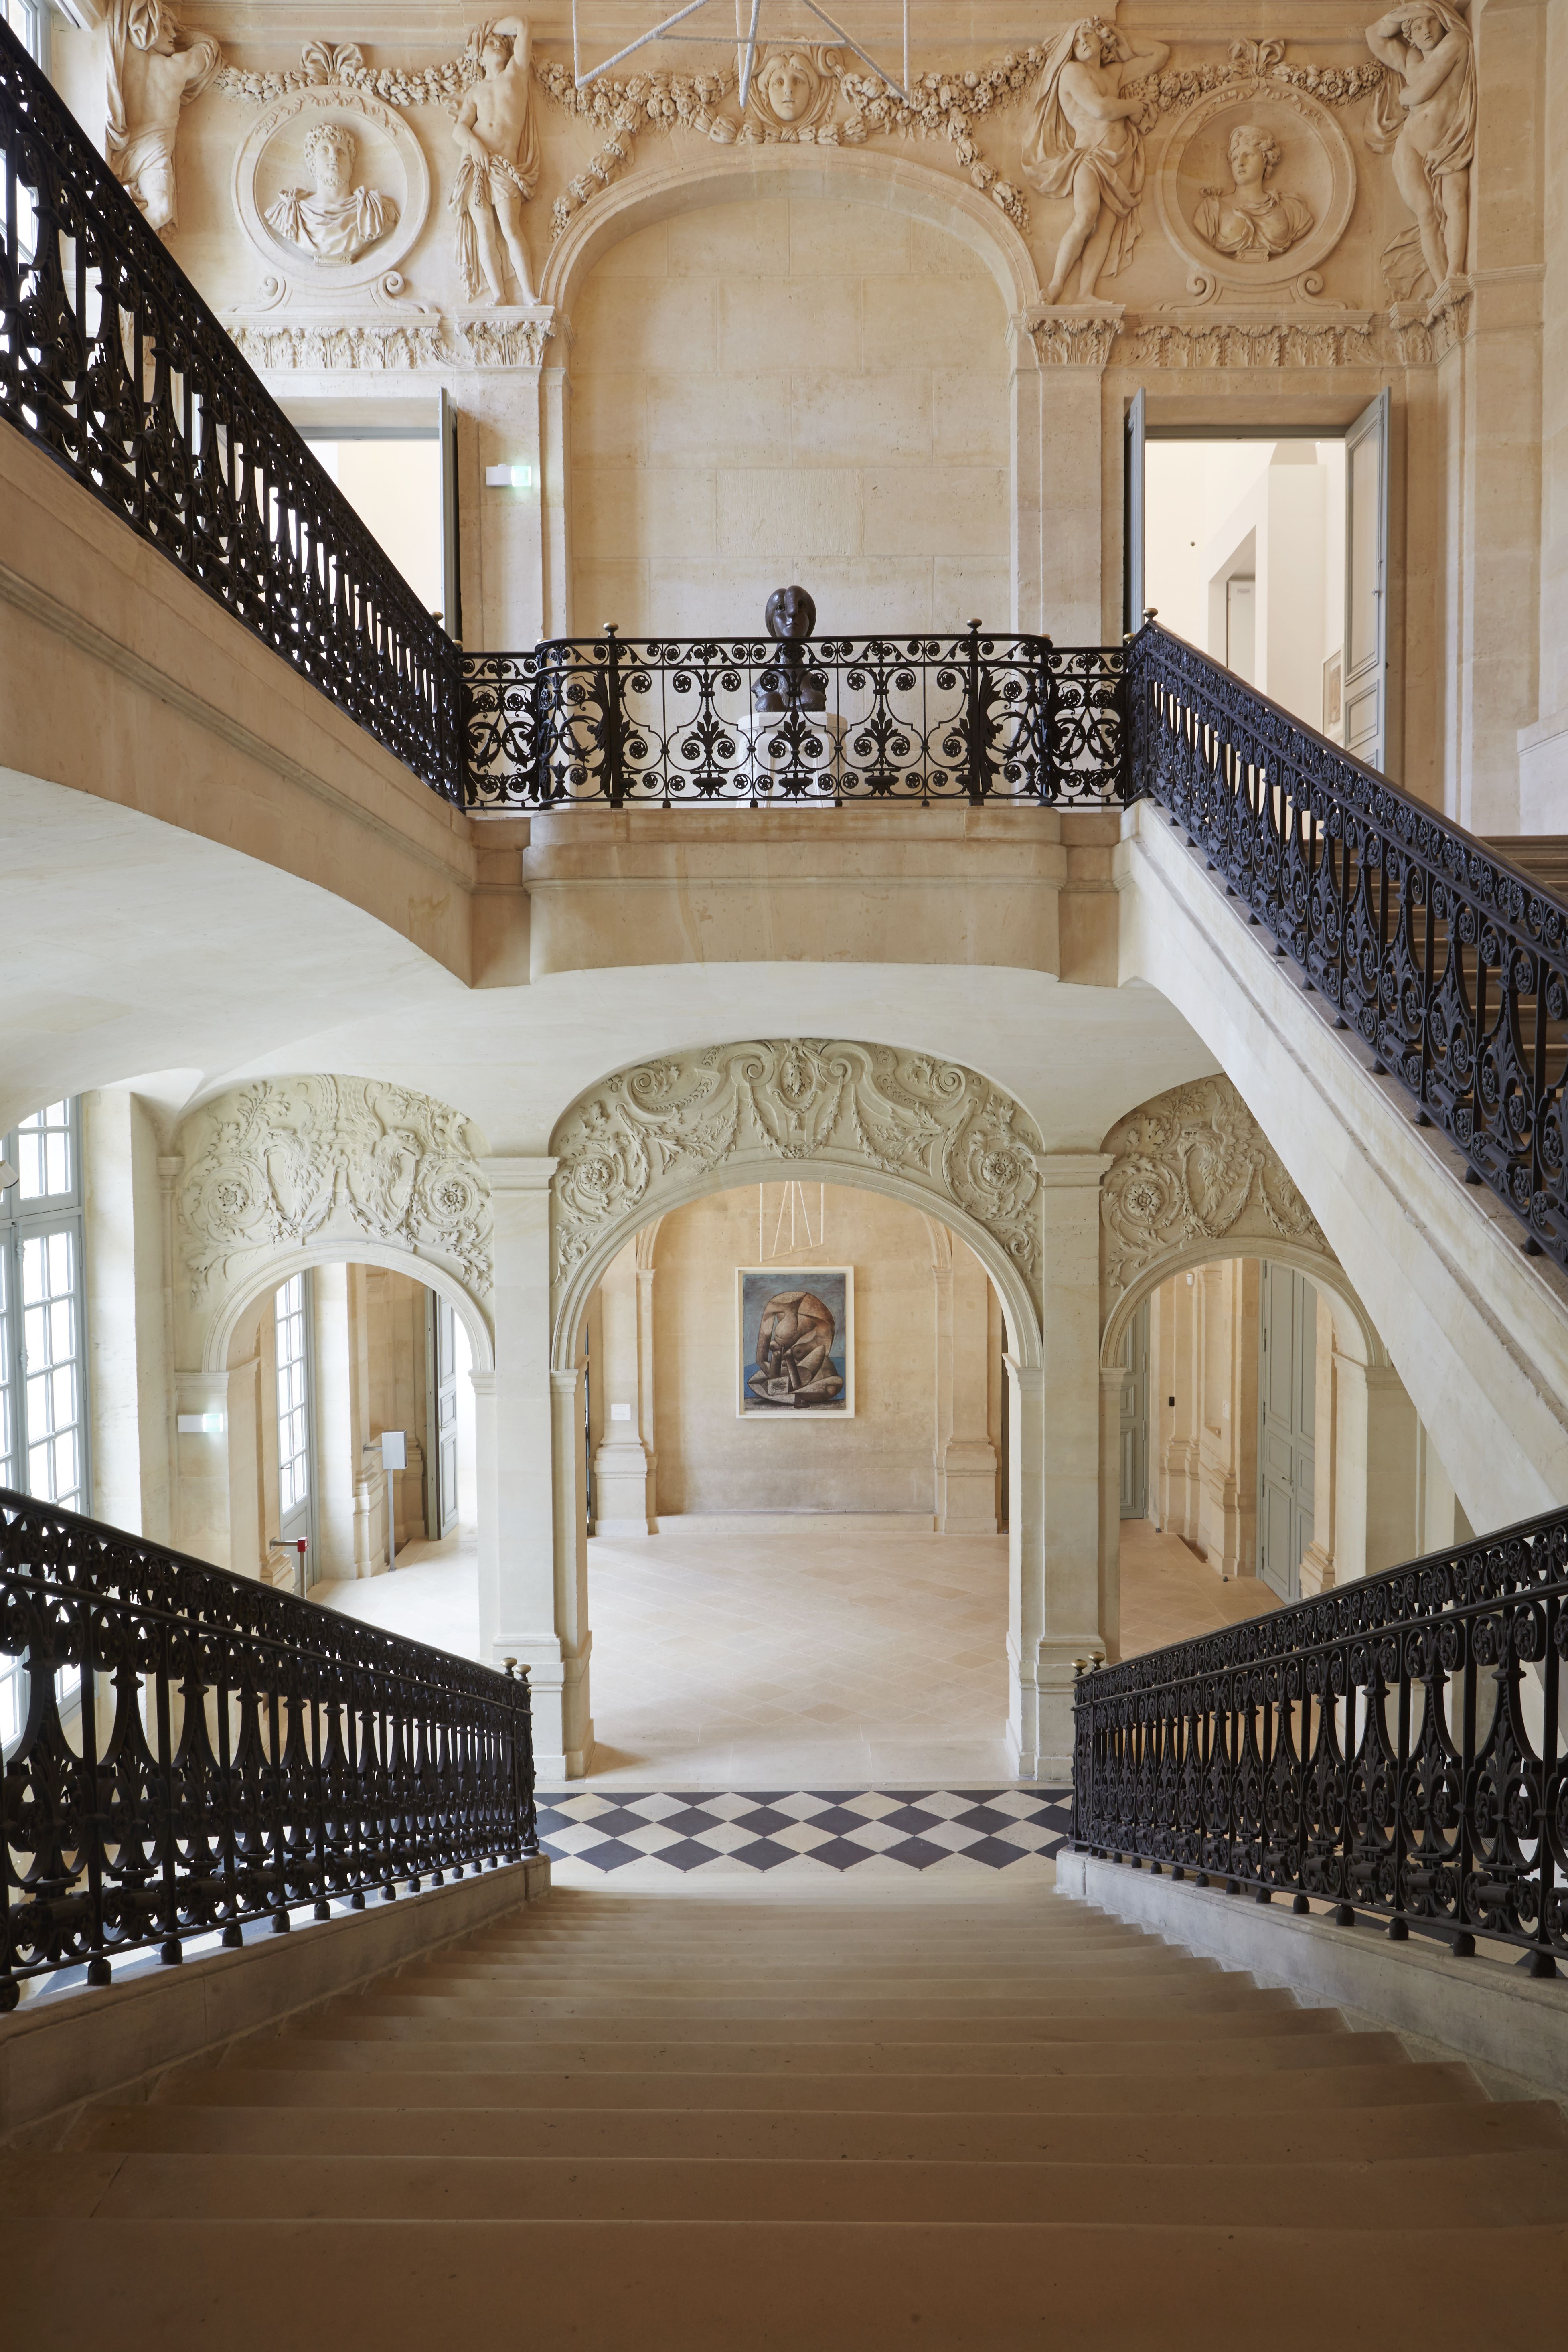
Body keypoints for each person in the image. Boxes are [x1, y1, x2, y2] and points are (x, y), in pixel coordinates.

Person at [1023, 18, 1170, 305]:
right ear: (1071, 50)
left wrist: (1121, 41)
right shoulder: (1072, 71)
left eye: (1088, 35)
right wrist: (1135, 107)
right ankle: (1055, 286)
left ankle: (1085, 292)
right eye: (1077, 40)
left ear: (1101, 40)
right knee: (1086, 216)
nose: (1084, 42)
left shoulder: (1112, 74)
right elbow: (1100, 108)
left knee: (1106, 228)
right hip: (1090, 156)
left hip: (1123, 157)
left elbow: (1160, 54)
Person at [1365, 3, 1475, 292]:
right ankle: (1442, 288)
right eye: (1417, 27)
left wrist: (1404, 95)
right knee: (1426, 213)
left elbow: (1420, 92)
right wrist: (1407, 12)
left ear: (1443, 21)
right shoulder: (1412, 59)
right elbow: (1374, 35)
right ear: (1409, 34)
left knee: (1455, 201)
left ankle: (1455, 273)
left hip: (1448, 144)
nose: (1425, 31)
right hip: (1410, 144)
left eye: (1431, 22)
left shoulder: (1456, 42)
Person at [104, 0, 220, 237]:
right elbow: (209, 49)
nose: (174, 34)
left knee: (162, 209)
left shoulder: (121, 58)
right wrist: (189, 37)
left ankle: (119, 240)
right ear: (149, 29)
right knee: (162, 210)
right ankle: (120, 241)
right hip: (152, 152)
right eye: (165, 27)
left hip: (126, 153)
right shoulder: (176, 66)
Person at [451, 16, 540, 305]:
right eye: (491, 43)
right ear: (481, 56)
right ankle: (500, 295)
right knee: (485, 232)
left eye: (502, 41)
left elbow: (524, 26)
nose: (498, 43)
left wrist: (489, 28)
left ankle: (528, 294)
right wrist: (474, 144)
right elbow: (459, 128)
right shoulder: (475, 91)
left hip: (504, 167)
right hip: (476, 166)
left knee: (511, 228)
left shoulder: (516, 72)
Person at [264, 122, 397, 265]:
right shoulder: (289, 214)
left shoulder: (375, 211)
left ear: (351, 163)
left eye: (341, 152)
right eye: (324, 151)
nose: (334, 157)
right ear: (312, 161)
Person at [1194, 122, 1313, 261]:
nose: (1240, 163)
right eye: (1235, 158)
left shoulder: (1291, 209)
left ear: (1265, 159)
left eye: (1248, 155)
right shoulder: (1212, 210)